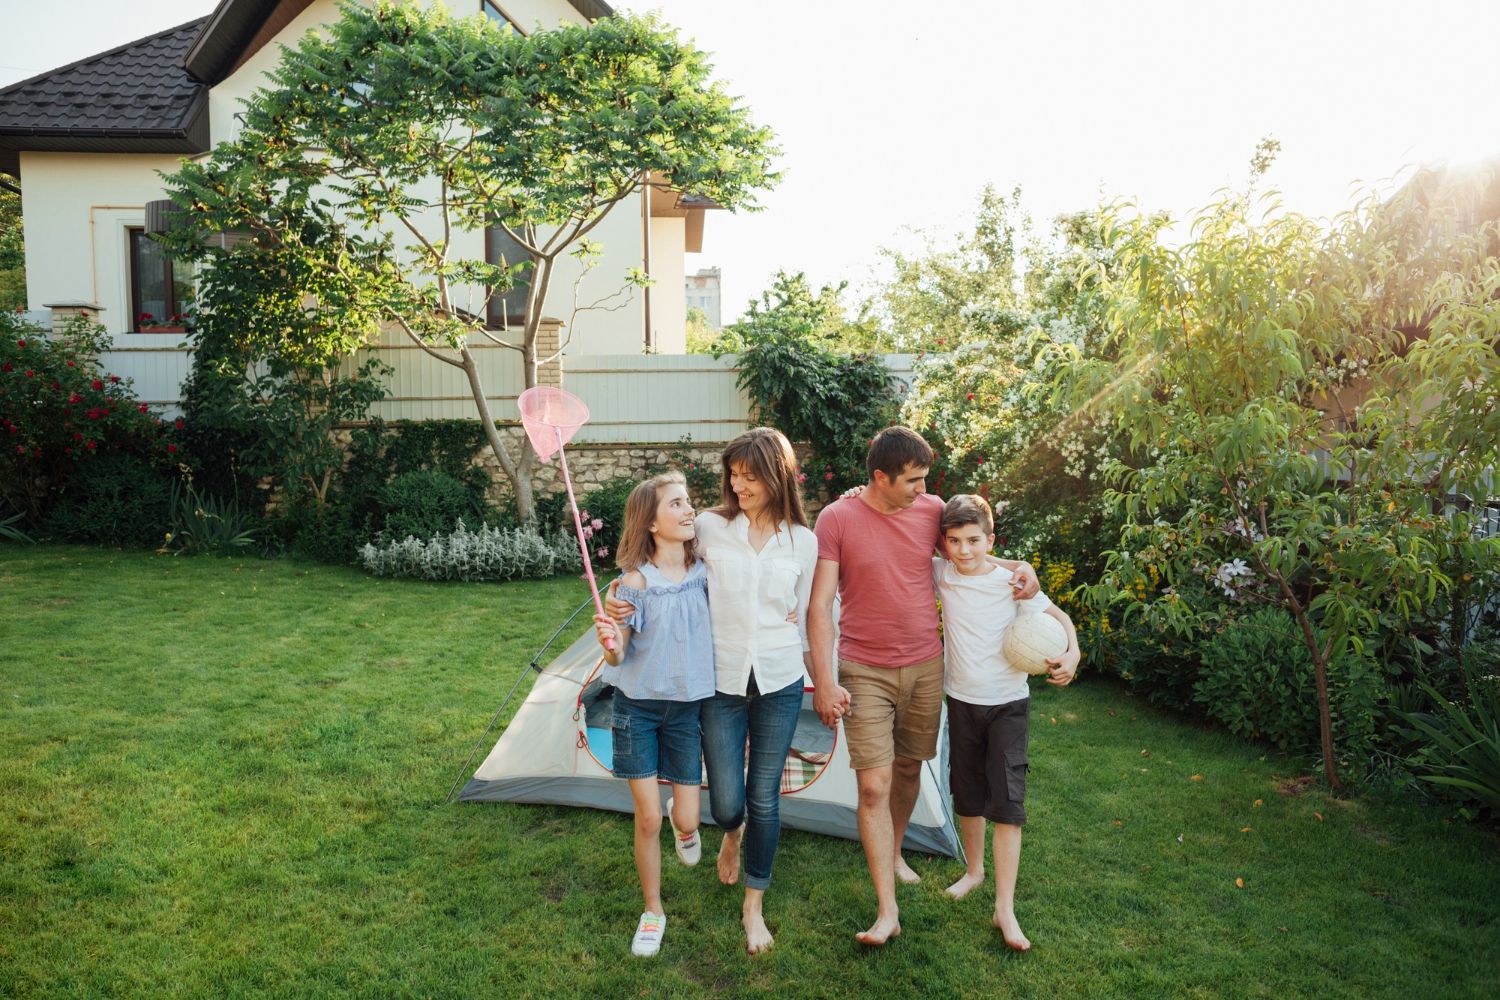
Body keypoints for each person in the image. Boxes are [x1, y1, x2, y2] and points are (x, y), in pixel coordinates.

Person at [807, 425, 1038, 946]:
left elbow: (969, 553)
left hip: (927, 665)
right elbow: (820, 605)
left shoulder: (932, 510)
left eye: (924, 479)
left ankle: (892, 854)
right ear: (879, 477)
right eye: (912, 479)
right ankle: (886, 911)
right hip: (863, 667)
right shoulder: (837, 518)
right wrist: (823, 679)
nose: (922, 488)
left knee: (911, 766)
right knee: (873, 784)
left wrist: (1020, 569)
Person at [608, 428, 817, 956]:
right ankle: (729, 832)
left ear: (778, 476)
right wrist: (621, 607)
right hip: (719, 682)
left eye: (750, 476)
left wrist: (823, 673)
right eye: (733, 475)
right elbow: (660, 560)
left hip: (779, 679)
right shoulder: (707, 527)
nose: (738, 485)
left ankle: (754, 908)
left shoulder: (803, 541)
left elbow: (808, 611)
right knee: (727, 803)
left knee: (764, 797)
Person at [934, 494, 1079, 952]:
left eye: (974, 540)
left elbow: (1060, 618)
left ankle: (1005, 908)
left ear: (990, 540)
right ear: (943, 544)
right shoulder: (942, 575)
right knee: (969, 794)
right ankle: (974, 871)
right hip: (961, 702)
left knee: (1008, 804)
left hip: (1008, 706)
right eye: (954, 541)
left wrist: (1073, 653)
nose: (964, 550)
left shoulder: (1012, 583)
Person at [591, 471, 715, 958]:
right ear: (651, 524)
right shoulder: (632, 585)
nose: (689, 511)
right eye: (677, 505)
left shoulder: (706, 570)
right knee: (646, 819)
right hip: (636, 711)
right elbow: (619, 657)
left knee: (687, 817)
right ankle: (653, 910)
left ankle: (681, 822)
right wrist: (609, 643)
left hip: (686, 712)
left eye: (688, 503)